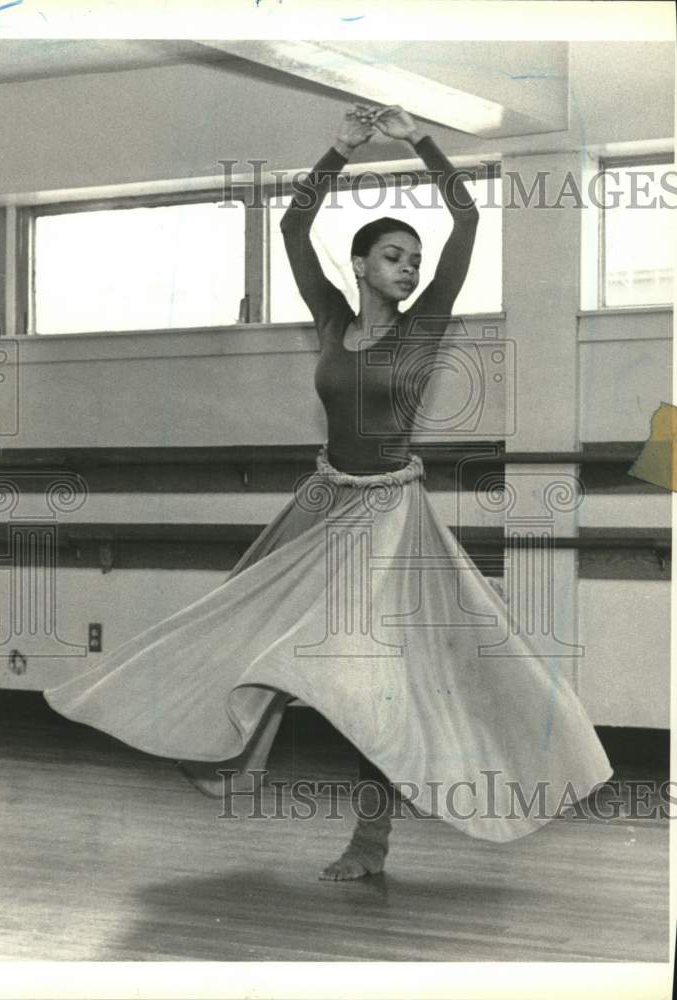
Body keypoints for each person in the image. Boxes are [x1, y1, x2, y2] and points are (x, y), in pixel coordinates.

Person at [44, 104, 613, 882]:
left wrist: (418, 139)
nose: (408, 269)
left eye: (413, 259)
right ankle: (216, 757)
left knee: (369, 679)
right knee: (242, 618)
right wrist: (338, 151)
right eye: (392, 257)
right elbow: (292, 229)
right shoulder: (331, 320)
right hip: (322, 500)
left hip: (388, 516)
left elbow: (468, 215)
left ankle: (367, 844)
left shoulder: (425, 326)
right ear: (362, 267)